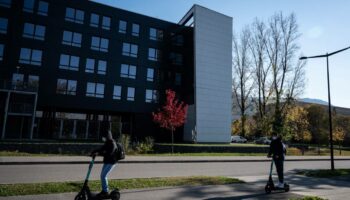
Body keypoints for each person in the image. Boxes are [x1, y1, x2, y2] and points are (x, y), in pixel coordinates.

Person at [91, 130, 118, 198]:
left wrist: (99, 154)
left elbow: (109, 153)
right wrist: (93, 152)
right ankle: (104, 191)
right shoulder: (107, 143)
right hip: (107, 161)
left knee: (103, 176)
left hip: (112, 162)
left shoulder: (112, 143)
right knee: (102, 176)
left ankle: (105, 191)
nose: (103, 138)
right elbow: (101, 149)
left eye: (104, 137)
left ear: (108, 136)